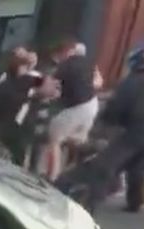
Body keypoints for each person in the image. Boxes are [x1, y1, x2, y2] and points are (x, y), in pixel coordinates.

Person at [58, 43, 144, 214]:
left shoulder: (132, 82)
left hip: (134, 131)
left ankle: (90, 201)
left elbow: (117, 108)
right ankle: (135, 202)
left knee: (106, 165)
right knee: (139, 168)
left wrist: (105, 123)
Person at [41, 38, 100, 181]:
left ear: (64, 52)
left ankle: (52, 177)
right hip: (92, 103)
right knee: (75, 140)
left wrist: (43, 93)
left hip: (76, 107)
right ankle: (81, 164)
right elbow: (98, 83)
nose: (57, 59)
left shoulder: (65, 66)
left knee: (54, 135)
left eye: (58, 55)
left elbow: (48, 89)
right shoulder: (89, 62)